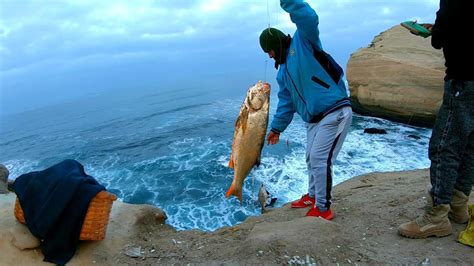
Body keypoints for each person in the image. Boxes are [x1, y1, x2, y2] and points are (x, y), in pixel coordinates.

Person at [259, 0, 352, 220]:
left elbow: (309, 17)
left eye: (269, 51)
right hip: (313, 119)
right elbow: (286, 103)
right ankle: (312, 195)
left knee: (320, 159)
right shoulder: (282, 73)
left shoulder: (303, 41)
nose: (270, 56)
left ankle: (323, 208)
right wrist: (276, 129)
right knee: (311, 159)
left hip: (335, 110)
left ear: (276, 43)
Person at [398, 0, 473, 238]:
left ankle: (436, 215)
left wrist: (436, 30)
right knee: (470, 145)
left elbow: (439, 39)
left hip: (464, 78)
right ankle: (459, 206)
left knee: (444, 147)